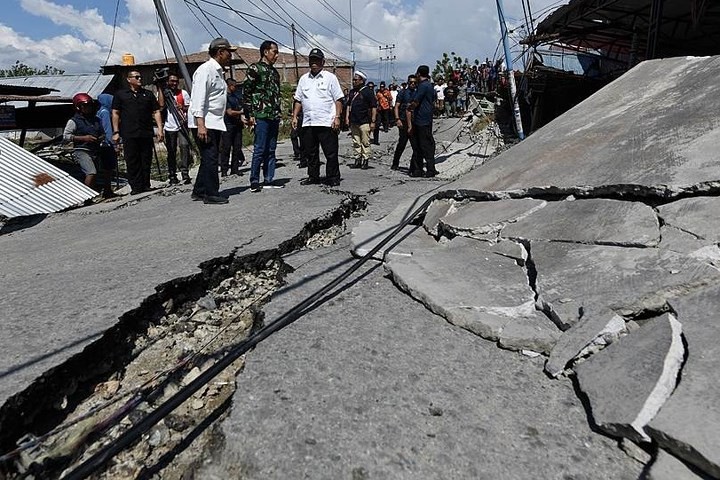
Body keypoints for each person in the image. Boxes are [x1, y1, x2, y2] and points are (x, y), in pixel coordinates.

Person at [188, 37, 237, 205]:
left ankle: (199, 190)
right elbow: (198, 99)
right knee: (211, 157)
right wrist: (200, 124)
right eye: (228, 53)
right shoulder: (205, 70)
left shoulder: (218, 71)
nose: (230, 56)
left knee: (209, 156)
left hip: (214, 121)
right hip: (205, 122)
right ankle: (211, 194)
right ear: (220, 52)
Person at [291, 48, 344, 186]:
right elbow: (298, 100)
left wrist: (337, 117)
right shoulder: (304, 79)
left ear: (323, 62)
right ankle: (313, 176)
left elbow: (338, 99)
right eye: (312, 60)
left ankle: (333, 177)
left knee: (330, 153)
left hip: (326, 122)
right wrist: (295, 116)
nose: (314, 63)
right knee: (311, 152)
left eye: (316, 60)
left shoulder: (330, 78)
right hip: (309, 122)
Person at [112, 70, 164, 195]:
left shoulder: (148, 94)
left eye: (140, 76)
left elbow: (156, 111)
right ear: (129, 79)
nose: (140, 79)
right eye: (136, 77)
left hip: (145, 131)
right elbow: (115, 113)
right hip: (129, 132)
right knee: (132, 159)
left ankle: (146, 184)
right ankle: (135, 186)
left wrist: (160, 129)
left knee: (146, 158)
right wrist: (116, 131)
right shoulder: (121, 95)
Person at [243, 40, 282, 192]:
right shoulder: (255, 69)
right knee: (259, 148)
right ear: (266, 52)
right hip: (260, 115)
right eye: (274, 52)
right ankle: (254, 180)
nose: (277, 56)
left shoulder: (274, 72)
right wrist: (249, 115)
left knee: (271, 149)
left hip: (273, 115)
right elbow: (246, 93)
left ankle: (268, 179)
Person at [64, 93, 104, 191]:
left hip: (94, 150)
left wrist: (100, 138)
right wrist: (84, 138)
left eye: (90, 105)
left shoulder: (96, 120)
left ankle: (93, 193)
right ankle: (86, 197)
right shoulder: (73, 121)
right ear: (78, 107)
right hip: (82, 150)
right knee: (91, 172)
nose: (88, 108)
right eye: (85, 106)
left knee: (97, 173)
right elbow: (66, 136)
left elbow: (103, 133)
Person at [407, 65, 438, 178]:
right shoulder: (430, 86)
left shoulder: (422, 86)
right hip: (427, 118)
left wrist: (410, 107)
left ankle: (427, 170)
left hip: (421, 119)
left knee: (422, 146)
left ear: (419, 74)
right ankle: (422, 169)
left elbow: (416, 101)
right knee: (426, 144)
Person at [161, 74, 192, 185]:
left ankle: (185, 172)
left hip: (182, 124)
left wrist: (182, 107)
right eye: (171, 81)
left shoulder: (183, 93)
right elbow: (160, 105)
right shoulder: (164, 94)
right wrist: (160, 88)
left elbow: (189, 106)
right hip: (169, 125)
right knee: (171, 151)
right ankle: (172, 174)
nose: (174, 83)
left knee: (184, 147)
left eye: (176, 81)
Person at [345, 70, 377, 170]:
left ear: (362, 81)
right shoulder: (352, 92)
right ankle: (357, 159)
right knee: (356, 142)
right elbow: (349, 105)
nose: (354, 81)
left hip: (364, 121)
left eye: (356, 80)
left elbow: (373, 107)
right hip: (354, 121)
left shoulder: (368, 92)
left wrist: (373, 121)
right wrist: (347, 117)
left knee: (365, 142)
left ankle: (365, 160)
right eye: (353, 80)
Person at [220, 78, 246, 176]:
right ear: (229, 86)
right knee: (226, 148)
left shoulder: (236, 97)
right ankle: (224, 169)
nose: (235, 88)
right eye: (234, 86)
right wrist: (241, 112)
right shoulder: (226, 97)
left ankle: (235, 168)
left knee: (237, 147)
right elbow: (229, 112)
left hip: (237, 124)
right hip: (228, 125)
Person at [96, 93, 119, 197]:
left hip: (101, 143)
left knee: (105, 168)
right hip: (106, 144)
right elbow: (108, 130)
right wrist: (114, 144)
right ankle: (107, 190)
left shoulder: (99, 111)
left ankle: (106, 189)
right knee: (108, 168)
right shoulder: (105, 112)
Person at [391, 74, 417, 171]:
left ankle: (413, 166)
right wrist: (397, 119)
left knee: (415, 145)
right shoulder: (402, 93)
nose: (413, 84)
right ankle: (395, 163)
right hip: (403, 121)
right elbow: (396, 106)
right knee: (401, 144)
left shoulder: (417, 93)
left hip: (414, 121)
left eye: (414, 83)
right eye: (411, 82)